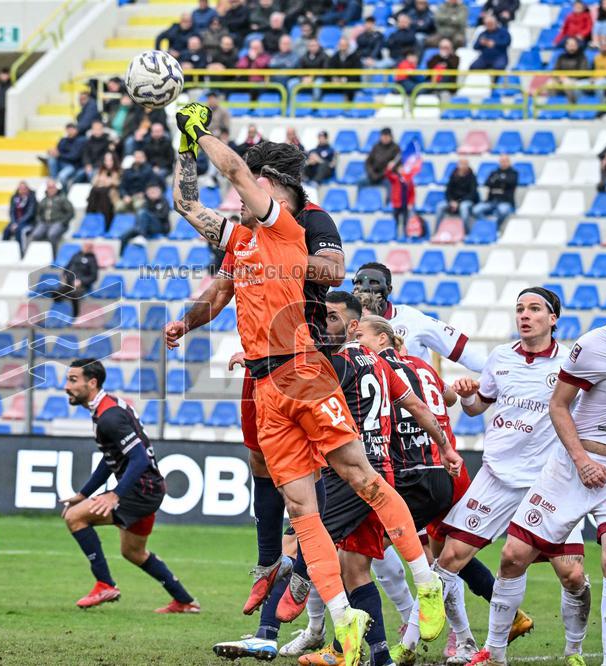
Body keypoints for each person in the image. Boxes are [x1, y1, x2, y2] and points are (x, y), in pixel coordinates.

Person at [174, 102, 448, 662]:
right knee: (302, 510)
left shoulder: (282, 228)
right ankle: (344, 620)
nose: (240, 196)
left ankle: (427, 583)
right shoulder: (239, 240)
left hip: (302, 371)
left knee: (361, 477)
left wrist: (201, 130)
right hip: (265, 385)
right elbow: (186, 202)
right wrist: (183, 145)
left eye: (254, 186)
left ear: (272, 189)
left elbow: (235, 174)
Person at [166, 140, 346, 661]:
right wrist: (187, 320)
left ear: (269, 182)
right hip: (261, 364)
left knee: (326, 480)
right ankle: (272, 573)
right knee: (261, 464)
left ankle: (307, 577)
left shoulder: (312, 220)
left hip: (309, 358)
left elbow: (334, 272)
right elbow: (220, 290)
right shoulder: (244, 231)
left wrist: (283, 257)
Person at [468, 270, 606, 666]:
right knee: (512, 556)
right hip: (570, 465)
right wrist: (581, 460)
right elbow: (558, 405)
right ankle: (494, 654)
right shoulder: (593, 345)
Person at [397, 288, 589, 666]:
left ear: (553, 318)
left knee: (572, 576)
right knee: (449, 557)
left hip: (548, 482)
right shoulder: (500, 358)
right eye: (520, 309)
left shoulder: (571, 363)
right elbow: (475, 409)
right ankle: (411, 645)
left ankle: (575, 651)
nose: (525, 315)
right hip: (497, 477)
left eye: (535, 309)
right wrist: (468, 396)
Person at [276, 304, 461, 666]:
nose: (322, 325)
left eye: (332, 318)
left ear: (351, 325)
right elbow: (419, 408)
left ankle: (303, 619)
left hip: (352, 473)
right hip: (383, 468)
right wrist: (445, 446)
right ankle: (375, 654)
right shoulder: (381, 364)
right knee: (353, 567)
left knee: (312, 539)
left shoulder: (335, 366)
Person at [60, 358, 200, 612]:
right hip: (148, 489)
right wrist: (83, 494)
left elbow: (139, 458)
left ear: (92, 383)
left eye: (72, 380)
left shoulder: (109, 417)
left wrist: (115, 495)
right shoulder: (106, 407)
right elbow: (111, 459)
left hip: (139, 491)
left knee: (74, 518)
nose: (66, 386)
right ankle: (184, 600)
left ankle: (104, 584)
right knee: (133, 552)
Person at [352, 261, 486, 372]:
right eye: (358, 283)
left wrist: (496, 372)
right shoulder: (348, 322)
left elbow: (461, 352)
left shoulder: (411, 318)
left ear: (389, 289)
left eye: (374, 282)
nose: (364, 288)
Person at [119, 181, 168, 253]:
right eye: (150, 191)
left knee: (143, 213)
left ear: (159, 191)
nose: (152, 193)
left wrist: (149, 216)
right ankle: (121, 256)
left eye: (154, 191)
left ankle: (142, 236)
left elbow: (163, 216)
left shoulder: (164, 201)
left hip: (159, 227)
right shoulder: (145, 203)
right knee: (124, 235)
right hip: (145, 228)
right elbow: (139, 218)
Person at [471, 155, 518, 229]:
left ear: (509, 162)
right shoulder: (494, 172)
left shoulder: (513, 173)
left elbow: (510, 182)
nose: (504, 163)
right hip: (491, 201)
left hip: (505, 201)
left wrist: (498, 180)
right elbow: (487, 183)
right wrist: (500, 181)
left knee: (503, 211)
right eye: (502, 161)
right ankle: (488, 224)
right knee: (476, 210)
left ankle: (496, 227)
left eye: (505, 161)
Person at [54, 242, 98, 318]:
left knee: (74, 295)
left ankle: (75, 316)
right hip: (69, 283)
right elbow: (66, 268)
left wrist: (81, 281)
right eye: (85, 246)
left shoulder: (92, 260)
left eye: (89, 247)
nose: (86, 248)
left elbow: (94, 277)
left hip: (82, 286)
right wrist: (64, 277)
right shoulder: (76, 255)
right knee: (55, 293)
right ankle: (59, 314)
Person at [31, 179, 74, 253]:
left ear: (56, 188)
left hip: (58, 222)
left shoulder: (62, 199)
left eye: (52, 187)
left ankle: (53, 255)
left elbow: (71, 212)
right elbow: (38, 213)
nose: (51, 189)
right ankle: (39, 254)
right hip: (44, 222)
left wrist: (63, 222)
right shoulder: (44, 200)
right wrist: (39, 221)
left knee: (52, 234)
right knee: (35, 235)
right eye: (49, 187)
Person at [437, 159, 479, 226]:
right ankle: (437, 231)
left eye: (465, 164)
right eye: (461, 164)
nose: (463, 166)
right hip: (453, 201)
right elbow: (448, 191)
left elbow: (472, 194)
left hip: (466, 201)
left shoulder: (472, 177)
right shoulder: (453, 176)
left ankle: (466, 233)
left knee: (464, 207)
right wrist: (451, 201)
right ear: (458, 165)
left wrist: (458, 203)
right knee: (440, 206)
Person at [46, 123, 86, 190]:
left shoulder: (80, 141)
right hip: (61, 163)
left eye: (72, 129)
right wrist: (52, 152)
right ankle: (53, 180)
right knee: (51, 159)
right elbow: (57, 151)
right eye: (68, 129)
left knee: (62, 176)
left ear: (76, 130)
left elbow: (74, 156)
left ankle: (64, 192)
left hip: (72, 165)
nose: (70, 131)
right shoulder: (63, 140)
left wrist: (59, 155)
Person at [85, 152, 120, 229]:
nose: (108, 162)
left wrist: (110, 182)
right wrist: (101, 180)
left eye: (110, 160)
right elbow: (93, 182)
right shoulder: (100, 171)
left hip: (113, 194)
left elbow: (118, 183)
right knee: (94, 191)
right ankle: (90, 220)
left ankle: (106, 224)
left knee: (103, 192)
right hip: (99, 193)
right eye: (106, 160)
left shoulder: (119, 171)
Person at [360, 127, 401, 191]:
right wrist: (372, 174)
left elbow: (398, 163)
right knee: (361, 182)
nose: (385, 138)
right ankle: (360, 200)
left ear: (390, 137)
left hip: (387, 176)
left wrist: (391, 168)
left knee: (391, 185)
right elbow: (368, 162)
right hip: (374, 174)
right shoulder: (376, 146)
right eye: (383, 136)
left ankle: (389, 201)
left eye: (386, 136)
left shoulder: (396, 148)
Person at [554, 37, 590, 103]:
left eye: (573, 45)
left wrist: (567, 77)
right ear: (566, 46)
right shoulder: (561, 57)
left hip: (576, 79)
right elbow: (556, 70)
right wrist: (559, 77)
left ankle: (572, 105)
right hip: (561, 79)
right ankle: (553, 107)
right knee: (550, 84)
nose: (572, 47)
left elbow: (583, 72)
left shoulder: (582, 57)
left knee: (567, 83)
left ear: (577, 46)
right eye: (570, 45)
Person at [386, 159, 416, 236]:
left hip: (405, 203)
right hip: (397, 204)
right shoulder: (395, 178)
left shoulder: (409, 180)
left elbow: (412, 193)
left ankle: (405, 235)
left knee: (405, 221)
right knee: (395, 221)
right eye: (400, 168)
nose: (401, 170)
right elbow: (388, 175)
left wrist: (410, 203)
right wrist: (389, 168)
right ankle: (394, 235)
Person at [4, 180, 37, 248]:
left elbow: (30, 213)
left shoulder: (31, 198)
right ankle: (4, 250)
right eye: (20, 189)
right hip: (15, 222)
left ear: (27, 189)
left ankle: (21, 252)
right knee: (6, 230)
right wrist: (13, 222)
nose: (22, 191)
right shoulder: (14, 197)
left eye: (24, 189)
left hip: (28, 222)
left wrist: (18, 223)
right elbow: (12, 212)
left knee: (20, 231)